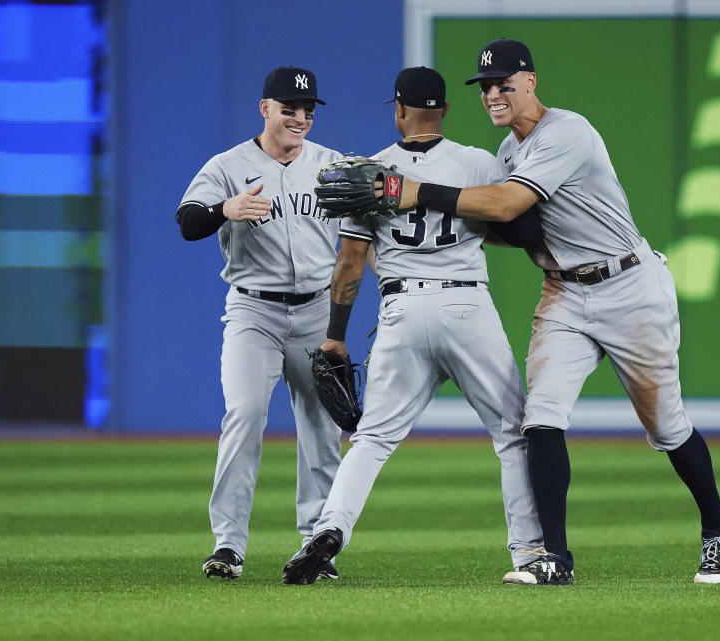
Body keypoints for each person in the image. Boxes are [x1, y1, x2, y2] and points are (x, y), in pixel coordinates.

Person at [386, 39, 720, 585]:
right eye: (485, 87)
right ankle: (553, 558)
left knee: (667, 426)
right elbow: (509, 226)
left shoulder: (567, 132)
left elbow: (503, 205)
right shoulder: (507, 155)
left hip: (629, 285)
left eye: (504, 82)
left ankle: (719, 527)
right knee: (541, 418)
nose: (494, 94)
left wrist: (412, 191)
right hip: (565, 294)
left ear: (530, 80)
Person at [280, 66, 546, 585]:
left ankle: (327, 532)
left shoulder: (371, 169)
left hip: (400, 309)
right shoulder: (476, 161)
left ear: (398, 111)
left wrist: (335, 334)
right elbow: (515, 226)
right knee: (512, 436)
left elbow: (350, 263)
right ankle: (529, 553)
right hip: (466, 306)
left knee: (372, 440)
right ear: (445, 110)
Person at [176, 66, 344, 580]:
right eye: (289, 108)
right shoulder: (229, 166)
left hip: (317, 309)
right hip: (254, 310)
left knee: (322, 426)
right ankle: (228, 545)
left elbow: (366, 233)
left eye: (307, 110)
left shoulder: (332, 165)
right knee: (245, 414)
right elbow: (187, 222)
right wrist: (226, 207)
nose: (300, 117)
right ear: (265, 108)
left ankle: (318, 545)